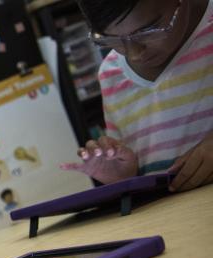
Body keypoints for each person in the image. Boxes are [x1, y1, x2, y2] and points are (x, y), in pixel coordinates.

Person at [61, 0, 213, 192]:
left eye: (148, 30)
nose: (134, 54)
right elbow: (141, 171)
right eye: (111, 39)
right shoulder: (111, 74)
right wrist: (125, 177)